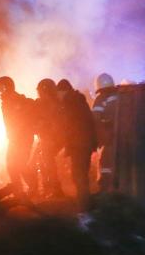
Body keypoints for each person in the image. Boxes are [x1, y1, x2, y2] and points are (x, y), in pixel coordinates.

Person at [56, 79, 97, 213]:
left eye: (58, 92)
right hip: (85, 143)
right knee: (82, 174)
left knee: (78, 175)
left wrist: (67, 145)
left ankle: (83, 207)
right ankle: (87, 203)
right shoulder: (78, 100)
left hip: (78, 145)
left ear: (63, 91)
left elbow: (70, 127)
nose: (57, 96)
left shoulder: (70, 102)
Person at [0, 76, 37, 200]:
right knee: (14, 164)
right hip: (16, 138)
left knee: (16, 164)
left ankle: (24, 189)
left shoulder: (15, 101)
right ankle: (22, 189)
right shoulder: (8, 100)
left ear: (7, 88)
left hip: (21, 138)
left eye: (0, 89)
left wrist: (17, 135)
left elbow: (21, 121)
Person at [33, 78, 64, 199]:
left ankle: (55, 190)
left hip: (50, 139)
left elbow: (51, 123)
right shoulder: (56, 103)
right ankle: (50, 189)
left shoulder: (49, 105)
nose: (39, 94)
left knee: (47, 164)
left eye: (41, 91)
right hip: (49, 139)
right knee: (43, 163)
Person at [91, 73, 118, 193]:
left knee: (105, 163)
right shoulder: (119, 95)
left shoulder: (101, 98)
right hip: (122, 135)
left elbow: (95, 118)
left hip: (107, 136)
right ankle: (117, 188)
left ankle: (104, 189)